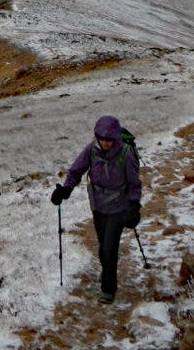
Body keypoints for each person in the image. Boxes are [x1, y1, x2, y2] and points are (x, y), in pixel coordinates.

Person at [50, 115, 141, 304]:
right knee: (103, 246)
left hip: (119, 207)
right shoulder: (91, 150)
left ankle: (108, 289)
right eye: (103, 139)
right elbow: (76, 171)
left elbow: (134, 183)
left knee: (109, 248)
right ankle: (106, 271)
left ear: (116, 138)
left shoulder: (125, 153)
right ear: (97, 137)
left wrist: (134, 205)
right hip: (98, 206)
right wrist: (66, 190)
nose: (106, 143)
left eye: (110, 140)